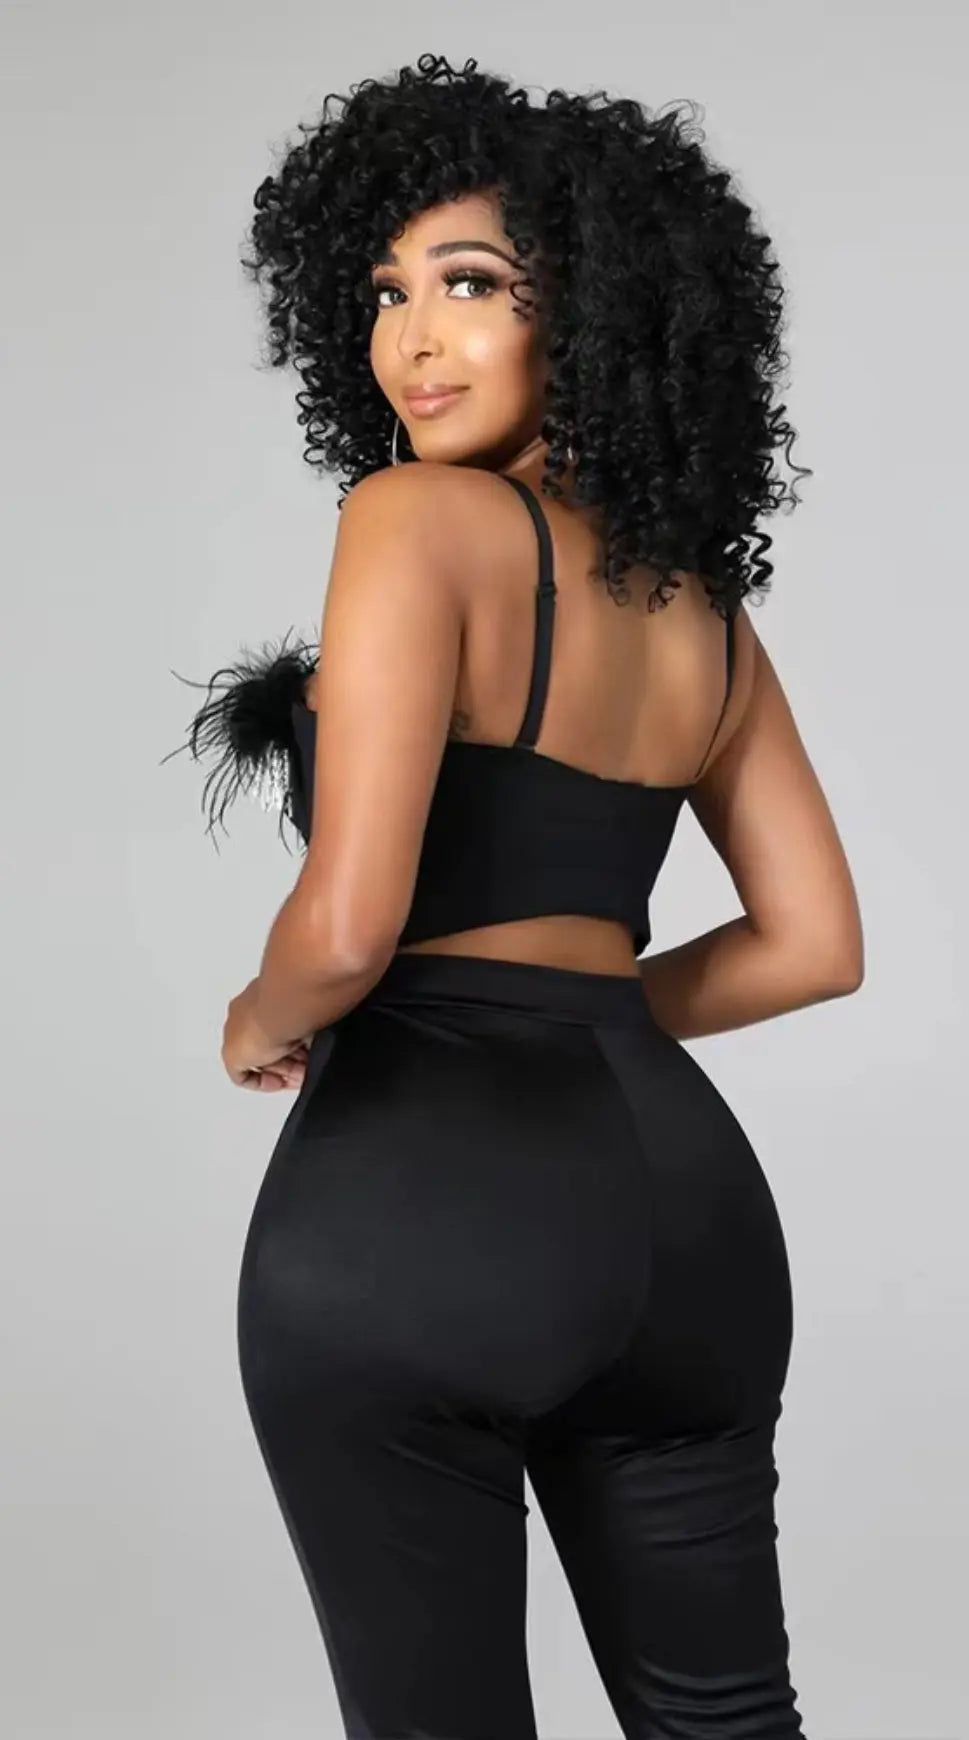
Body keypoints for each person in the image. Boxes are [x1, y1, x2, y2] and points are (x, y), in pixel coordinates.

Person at [167, 52, 863, 1740]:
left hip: (423, 1203)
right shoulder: (703, 612)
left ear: (593, 315)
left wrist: (257, 1018)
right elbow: (816, 945)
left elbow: (348, 928)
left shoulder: (415, 520)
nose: (413, 337)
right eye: (386, 291)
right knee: (728, 1721)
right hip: (688, 1224)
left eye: (472, 285)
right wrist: (592, 1015)